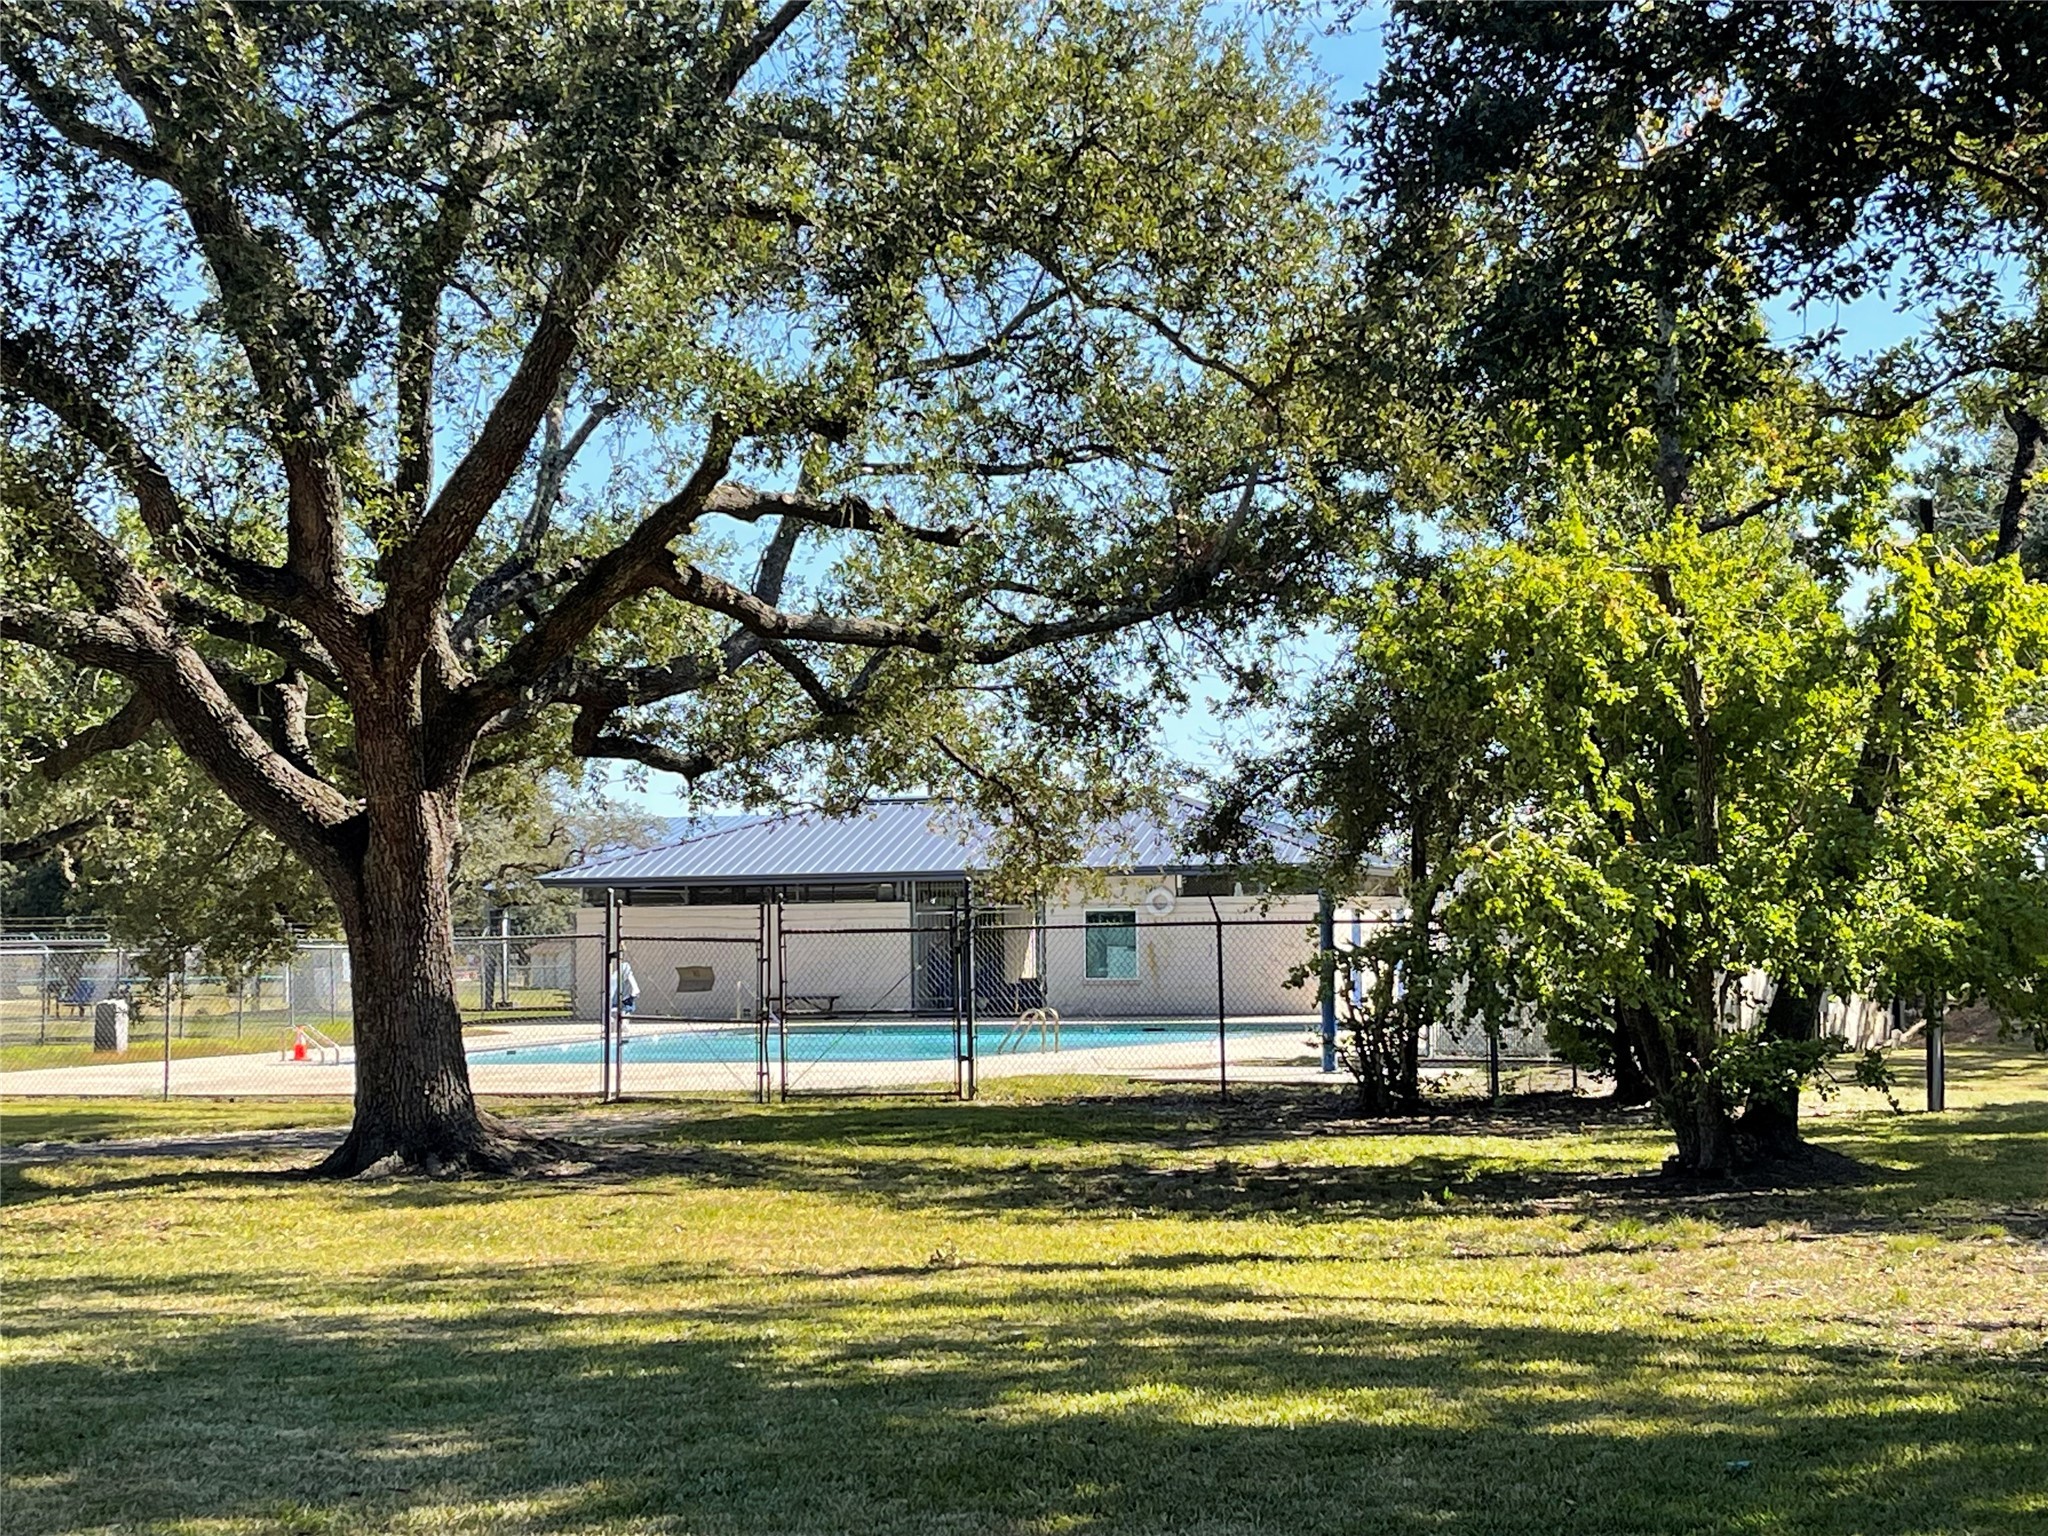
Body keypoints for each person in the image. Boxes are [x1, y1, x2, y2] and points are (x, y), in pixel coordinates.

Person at [612, 958, 639, 1034]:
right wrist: (632, 997)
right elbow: (636, 990)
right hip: (622, 1001)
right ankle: (623, 1031)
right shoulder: (623, 976)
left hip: (616, 1001)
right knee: (623, 1018)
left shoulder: (615, 976)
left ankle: (616, 1032)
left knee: (617, 1019)